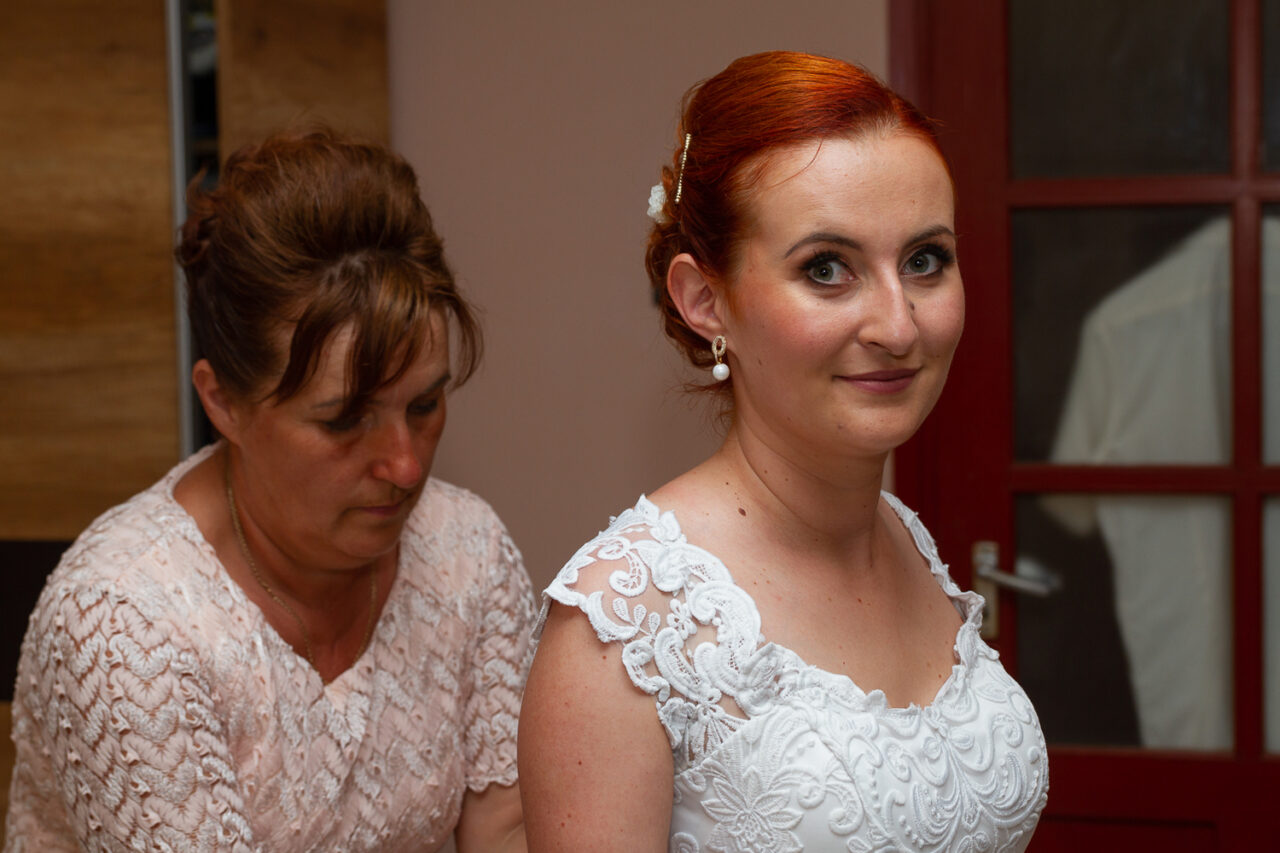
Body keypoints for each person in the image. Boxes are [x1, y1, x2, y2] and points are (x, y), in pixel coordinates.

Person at [519, 52, 1048, 852]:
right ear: (705, 299)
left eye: (924, 260)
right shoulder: (624, 629)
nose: (898, 325)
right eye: (827, 269)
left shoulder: (904, 538)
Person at [5, 129, 534, 852]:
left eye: (424, 405)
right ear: (223, 403)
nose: (407, 467)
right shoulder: (122, 625)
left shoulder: (466, 550)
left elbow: (507, 828)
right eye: (344, 420)